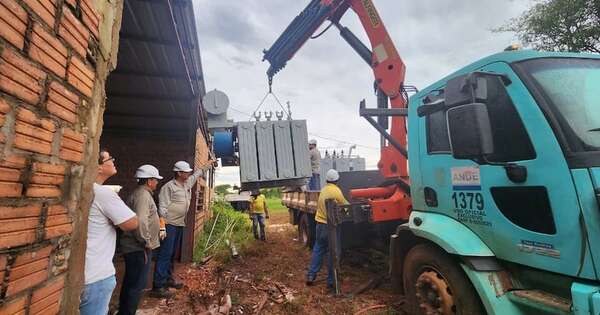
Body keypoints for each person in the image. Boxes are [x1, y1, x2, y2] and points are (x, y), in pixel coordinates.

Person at [80, 149, 138, 315]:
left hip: (83, 273)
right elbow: (131, 223)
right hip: (97, 277)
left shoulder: (85, 189)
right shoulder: (103, 193)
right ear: (98, 167)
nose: (113, 161)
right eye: (109, 159)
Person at [152, 160, 213, 297]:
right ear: (179, 173)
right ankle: (158, 286)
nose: (189, 173)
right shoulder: (169, 187)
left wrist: (208, 164)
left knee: (172, 254)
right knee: (165, 254)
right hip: (168, 224)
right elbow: (162, 207)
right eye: (186, 171)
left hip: (179, 224)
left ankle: (168, 279)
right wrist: (162, 226)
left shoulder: (187, 183)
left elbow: (198, 174)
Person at [118, 165, 165, 314]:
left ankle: (124, 311)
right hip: (138, 248)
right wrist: (146, 242)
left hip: (136, 247)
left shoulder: (141, 194)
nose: (157, 183)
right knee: (136, 285)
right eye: (156, 180)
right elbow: (141, 221)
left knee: (131, 282)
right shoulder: (143, 196)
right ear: (149, 180)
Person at [306, 169, 348, 291]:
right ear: (337, 180)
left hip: (319, 224)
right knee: (333, 253)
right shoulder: (337, 191)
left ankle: (311, 275)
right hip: (331, 228)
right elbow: (345, 206)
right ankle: (331, 281)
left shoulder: (323, 190)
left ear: (327, 180)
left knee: (318, 249)